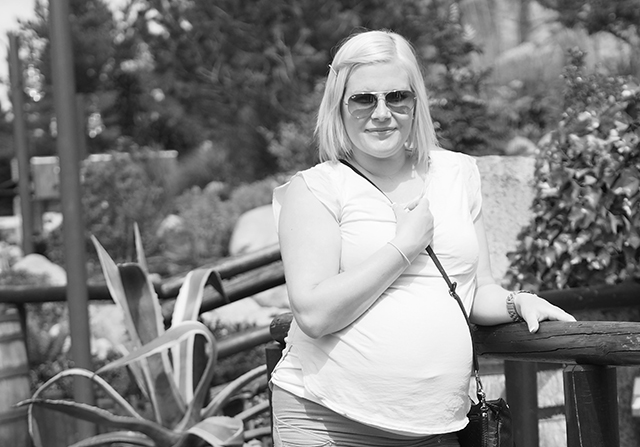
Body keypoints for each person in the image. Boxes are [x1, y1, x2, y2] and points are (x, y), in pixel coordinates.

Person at [270, 29, 575, 447]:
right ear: (338, 106)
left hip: (436, 427)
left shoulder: (458, 173)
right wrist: (404, 246)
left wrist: (516, 302)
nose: (381, 113)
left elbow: (475, 288)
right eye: (363, 99)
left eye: (397, 97)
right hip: (328, 420)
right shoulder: (316, 189)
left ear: (416, 102)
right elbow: (314, 314)